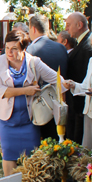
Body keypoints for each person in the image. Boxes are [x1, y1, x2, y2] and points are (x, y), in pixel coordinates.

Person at [0, 30, 59, 181]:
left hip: (29, 119)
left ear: (23, 49)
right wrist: (26, 90)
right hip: (7, 119)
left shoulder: (34, 62)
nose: (9, 52)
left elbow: (57, 79)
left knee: (31, 156)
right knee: (9, 155)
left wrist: (76, 87)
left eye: (14, 48)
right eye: (7, 48)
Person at [27, 13, 68, 141]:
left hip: (41, 104)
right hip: (61, 99)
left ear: (33, 29)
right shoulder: (61, 47)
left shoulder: (31, 49)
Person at [65, 12, 92, 144]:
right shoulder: (82, 43)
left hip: (81, 103)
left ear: (79, 25)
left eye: (68, 25)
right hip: (76, 101)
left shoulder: (88, 46)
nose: (66, 29)